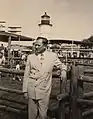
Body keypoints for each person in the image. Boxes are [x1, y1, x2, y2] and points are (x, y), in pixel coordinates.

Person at [23, 37, 67, 119]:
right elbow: (26, 74)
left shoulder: (52, 56)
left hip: (44, 90)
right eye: (35, 45)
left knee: (43, 115)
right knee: (32, 115)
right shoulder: (30, 57)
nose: (36, 47)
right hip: (32, 89)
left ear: (45, 46)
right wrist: (25, 91)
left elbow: (61, 65)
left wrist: (63, 70)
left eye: (38, 45)